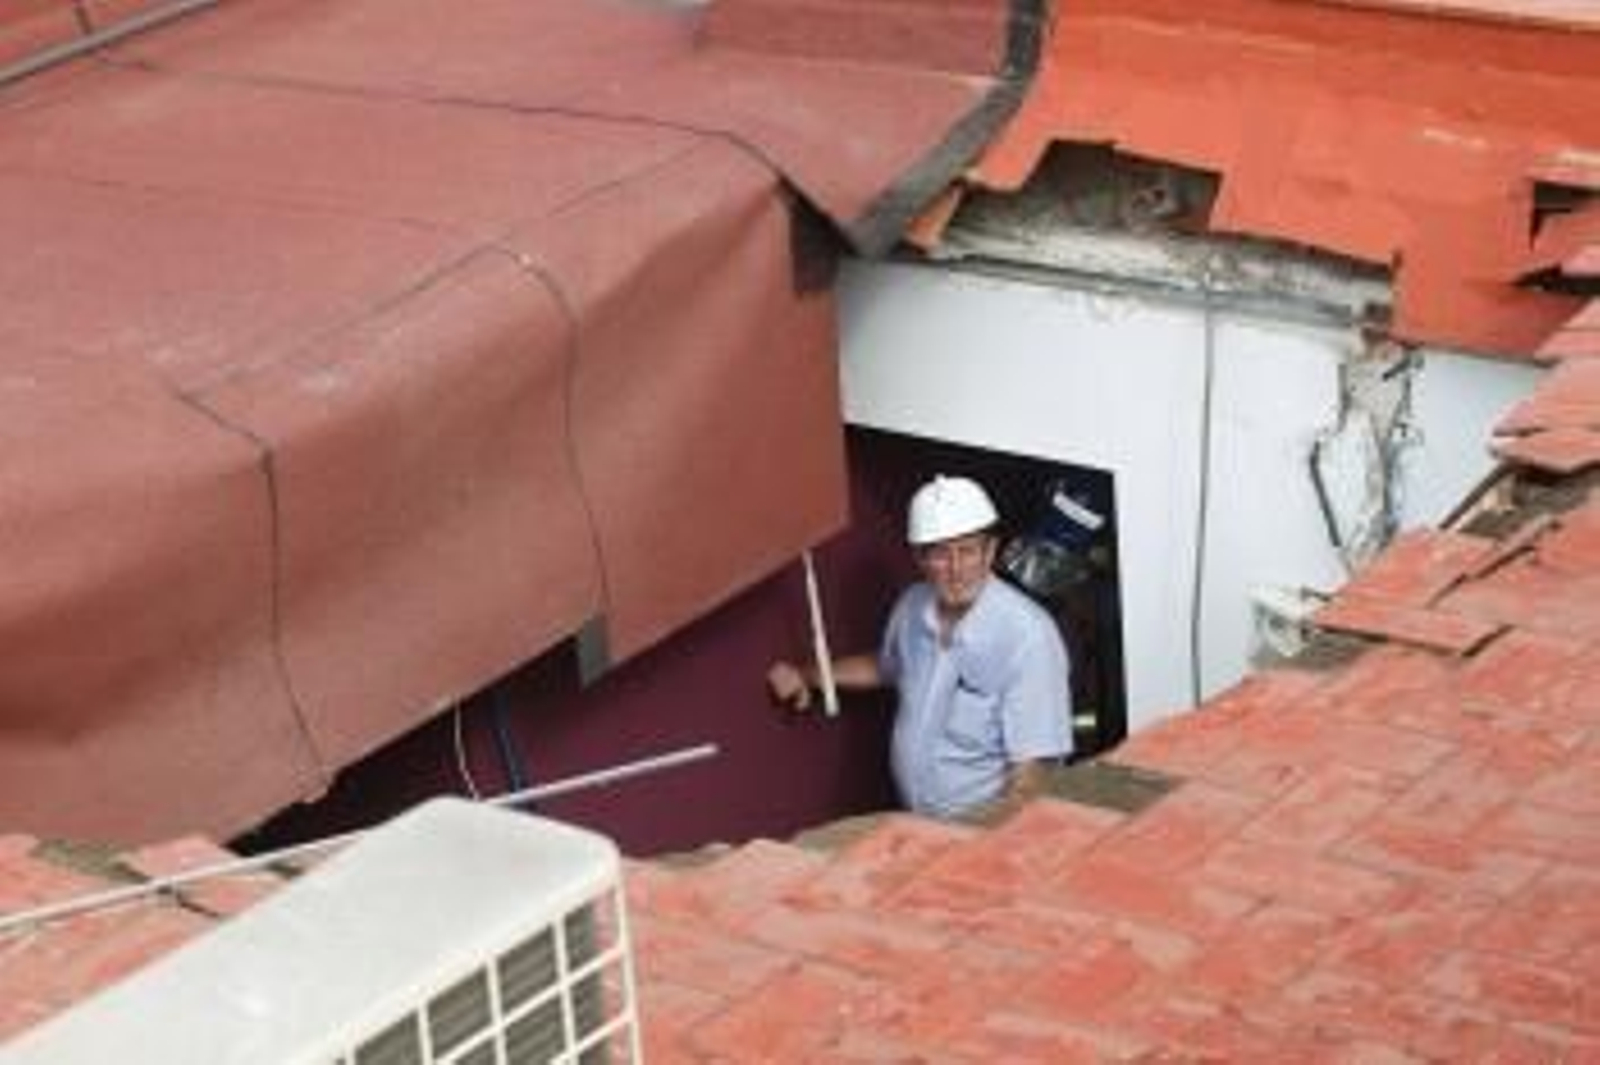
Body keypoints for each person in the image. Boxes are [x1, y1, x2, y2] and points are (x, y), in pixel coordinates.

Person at [768, 475, 1074, 822]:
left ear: (990, 551)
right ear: (919, 558)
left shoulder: (1028, 636)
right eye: (941, 555)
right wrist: (808, 675)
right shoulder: (912, 606)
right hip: (918, 822)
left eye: (968, 551)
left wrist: (992, 848)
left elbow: (1034, 773)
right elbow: (885, 666)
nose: (956, 570)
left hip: (980, 830)